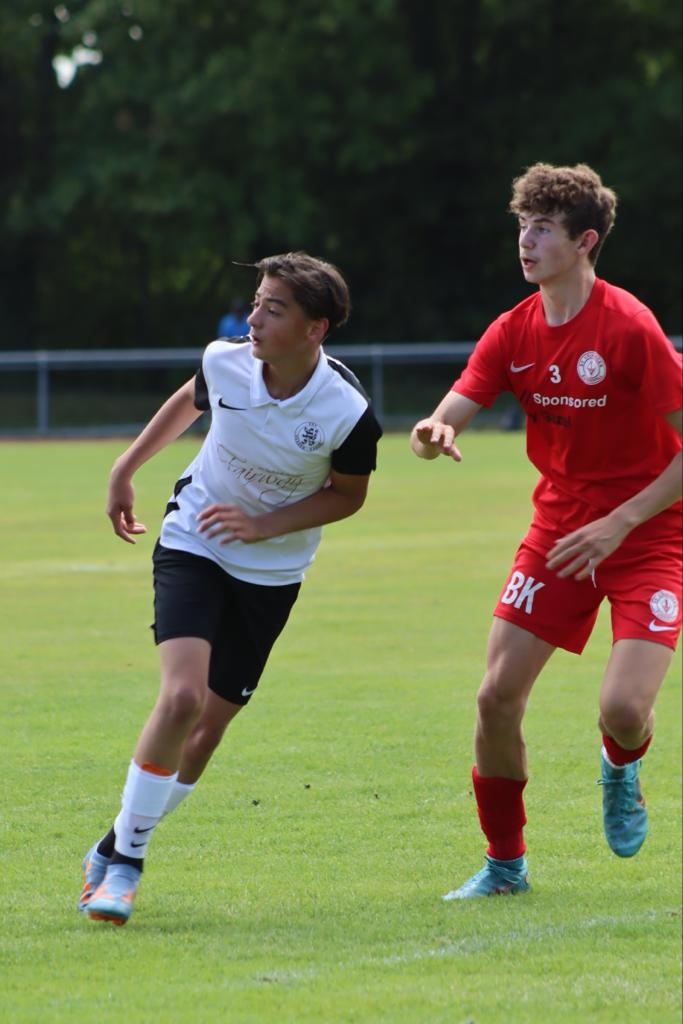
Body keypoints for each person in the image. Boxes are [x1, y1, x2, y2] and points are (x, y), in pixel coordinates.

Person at [80, 251, 382, 925]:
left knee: (207, 731)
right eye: (256, 302)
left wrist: (262, 525)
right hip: (192, 540)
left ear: (315, 329)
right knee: (182, 697)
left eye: (273, 309)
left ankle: (115, 840)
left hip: (270, 575)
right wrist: (125, 467)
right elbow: (190, 401)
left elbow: (348, 496)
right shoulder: (224, 362)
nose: (254, 319)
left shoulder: (346, 412)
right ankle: (126, 866)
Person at [411, 163, 682, 899]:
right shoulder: (513, 329)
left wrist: (619, 523)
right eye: (521, 227)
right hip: (560, 532)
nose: (525, 242)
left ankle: (620, 765)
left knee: (623, 710)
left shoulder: (629, 328)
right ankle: (505, 866)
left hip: (650, 534)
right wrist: (434, 432)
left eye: (542, 229)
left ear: (585, 242)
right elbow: (451, 411)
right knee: (495, 697)